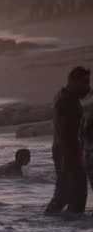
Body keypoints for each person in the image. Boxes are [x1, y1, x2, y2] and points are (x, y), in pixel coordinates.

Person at [45, 66, 91, 215]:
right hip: (68, 154)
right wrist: (69, 161)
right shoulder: (66, 102)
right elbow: (65, 133)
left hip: (67, 153)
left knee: (66, 196)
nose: (87, 87)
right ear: (73, 81)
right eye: (84, 83)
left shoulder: (65, 97)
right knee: (70, 196)